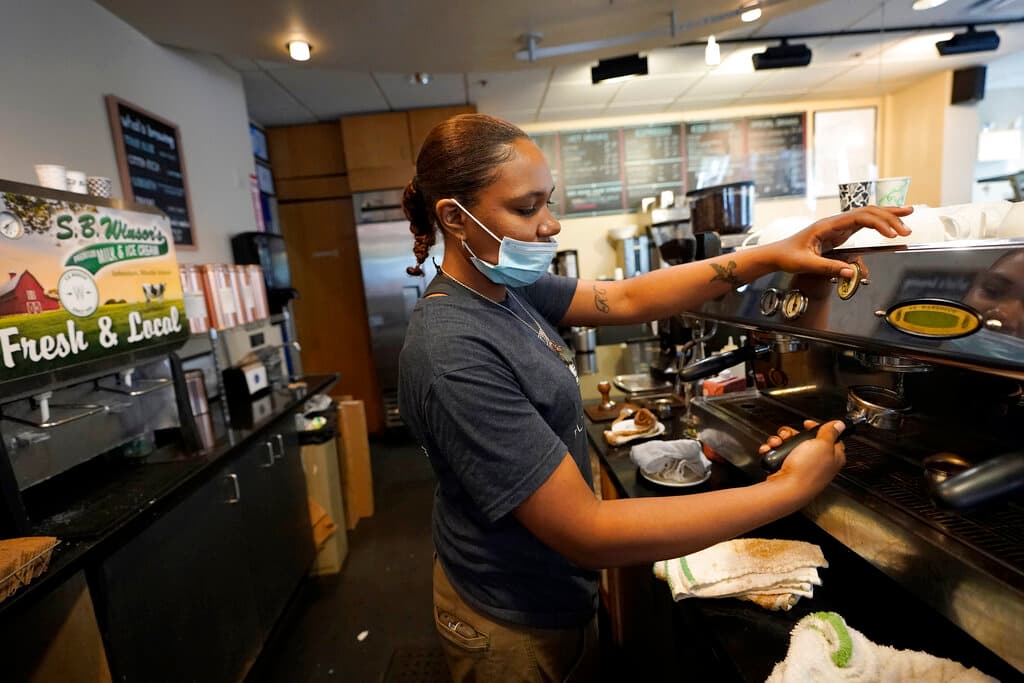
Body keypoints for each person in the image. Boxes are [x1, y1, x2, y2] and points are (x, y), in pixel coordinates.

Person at [397, 114, 913, 682]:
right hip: (509, 618)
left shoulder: (505, 288)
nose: (551, 225)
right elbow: (585, 531)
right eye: (526, 209)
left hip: (552, 590)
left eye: (548, 202)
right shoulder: (452, 350)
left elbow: (622, 298)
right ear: (453, 217)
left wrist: (771, 254)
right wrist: (788, 489)